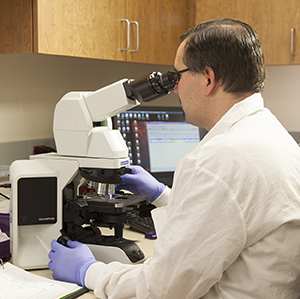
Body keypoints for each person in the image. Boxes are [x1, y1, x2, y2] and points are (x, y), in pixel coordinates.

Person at [48, 18, 300, 298]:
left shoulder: (216, 161)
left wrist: (88, 271)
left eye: (178, 76)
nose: (176, 88)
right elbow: (229, 218)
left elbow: (162, 289)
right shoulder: (272, 135)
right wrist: (163, 196)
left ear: (207, 78)